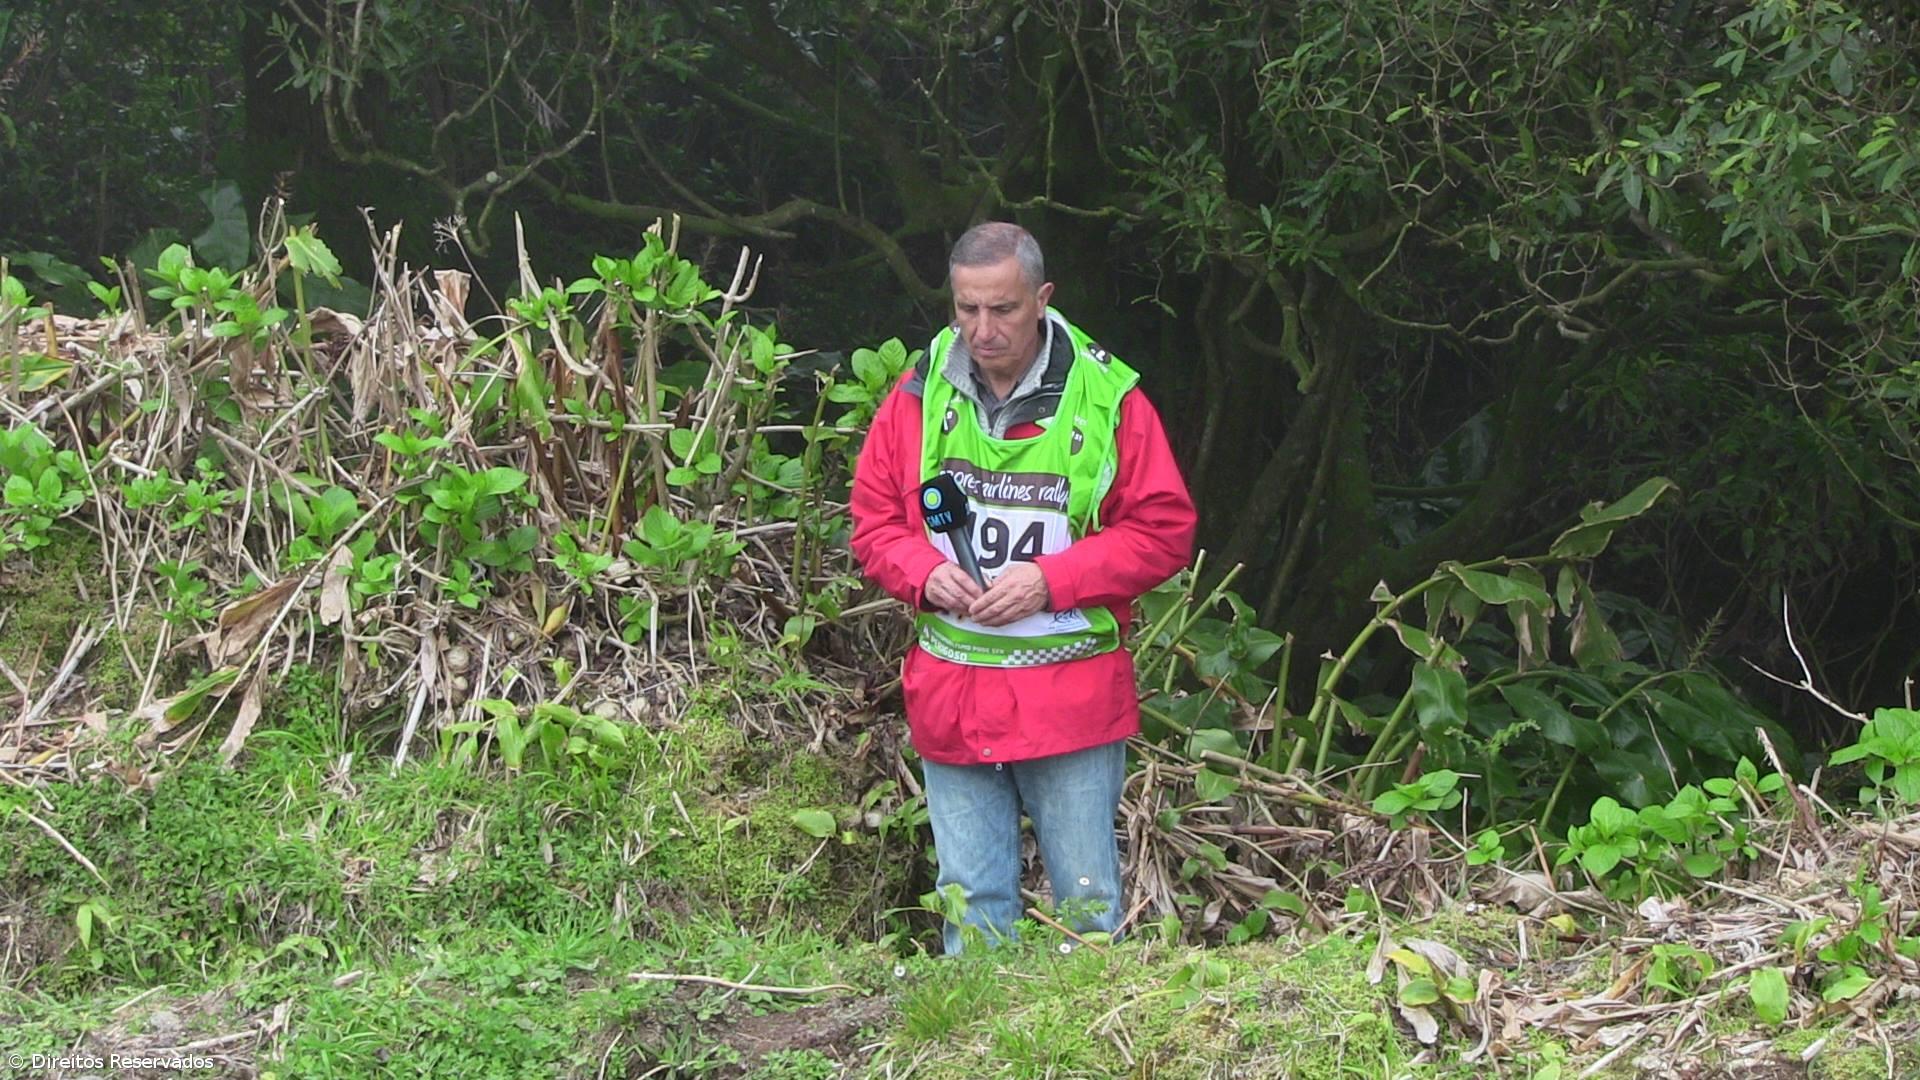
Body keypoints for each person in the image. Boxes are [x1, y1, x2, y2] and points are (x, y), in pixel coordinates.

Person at [849, 222, 1197, 954]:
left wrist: (1050, 580)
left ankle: (1091, 1026)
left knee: (1088, 910)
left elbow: (1164, 531)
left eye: (1002, 309)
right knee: (972, 910)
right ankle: (974, 1025)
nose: (983, 330)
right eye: (966, 309)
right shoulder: (916, 392)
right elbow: (874, 523)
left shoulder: (1109, 397)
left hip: (1072, 698)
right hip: (954, 693)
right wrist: (923, 573)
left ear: (1042, 299)